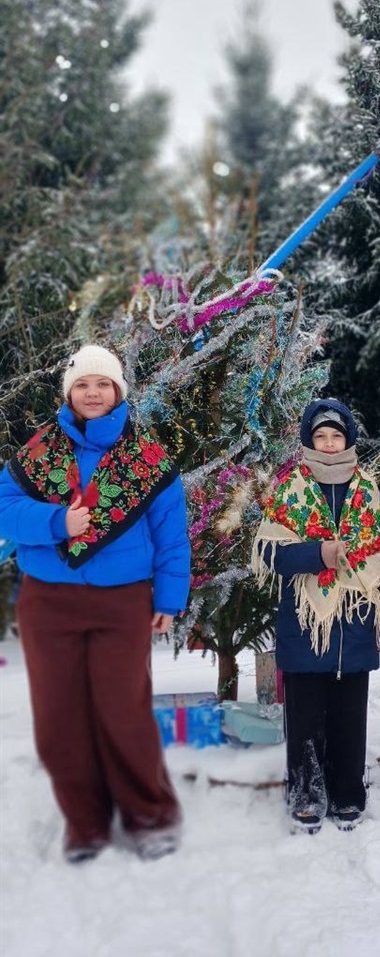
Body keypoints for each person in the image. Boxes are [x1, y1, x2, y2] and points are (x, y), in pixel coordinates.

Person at [0, 344, 190, 863]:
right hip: (48, 603)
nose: (92, 393)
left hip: (121, 603)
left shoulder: (148, 459)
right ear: (69, 393)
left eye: (102, 383)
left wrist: (169, 597)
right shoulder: (39, 452)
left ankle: (149, 817)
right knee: (58, 720)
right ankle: (85, 825)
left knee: (123, 712)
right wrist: (57, 522)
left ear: (118, 391)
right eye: (82, 384)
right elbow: (4, 509)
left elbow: (172, 537)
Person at [251, 398, 380, 835]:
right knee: (305, 715)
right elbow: (270, 553)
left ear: (348, 439)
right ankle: (306, 792)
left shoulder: (368, 489)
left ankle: (348, 791)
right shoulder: (290, 488)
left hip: (356, 622)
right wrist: (319, 554)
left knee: (350, 714)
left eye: (337, 435)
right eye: (321, 436)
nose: (330, 443)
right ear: (309, 440)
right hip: (305, 624)